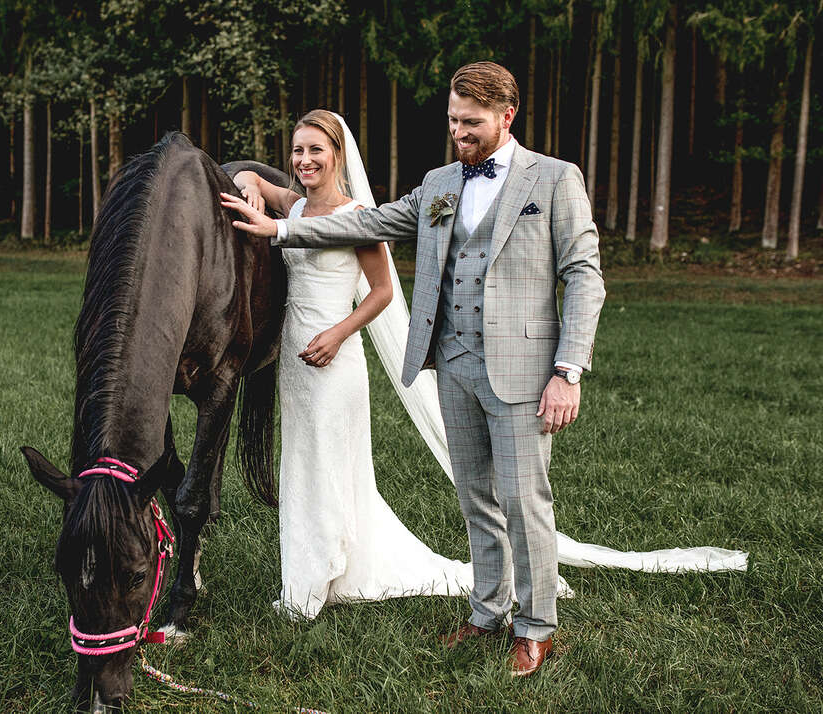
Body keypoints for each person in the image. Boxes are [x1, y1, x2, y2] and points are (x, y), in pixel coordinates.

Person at [222, 62, 606, 677]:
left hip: (525, 370)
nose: (459, 132)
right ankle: (486, 611)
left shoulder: (557, 180)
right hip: (451, 363)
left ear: (508, 116)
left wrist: (568, 370)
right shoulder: (441, 184)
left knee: (523, 498)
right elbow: (369, 222)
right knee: (475, 497)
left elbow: (584, 276)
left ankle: (535, 630)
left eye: (471, 122)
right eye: (453, 119)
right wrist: (284, 226)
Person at [232, 109, 474, 621]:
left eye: (316, 150)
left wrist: (339, 334)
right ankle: (315, 568)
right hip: (295, 360)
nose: (304, 160)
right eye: (297, 151)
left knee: (327, 464)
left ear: (338, 155)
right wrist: (247, 182)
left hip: (334, 356)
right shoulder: (294, 207)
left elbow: (383, 292)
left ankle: (315, 581)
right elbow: (251, 176)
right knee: (301, 465)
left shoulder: (358, 215)